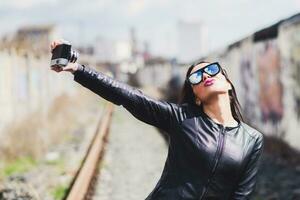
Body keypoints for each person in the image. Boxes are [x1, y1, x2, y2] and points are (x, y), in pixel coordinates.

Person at [50, 40, 264, 200]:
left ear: (227, 82)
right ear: (196, 97)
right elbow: (129, 96)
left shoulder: (252, 139)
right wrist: (79, 69)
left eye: (211, 70)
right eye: (196, 77)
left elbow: (241, 196)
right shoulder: (182, 117)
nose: (206, 76)